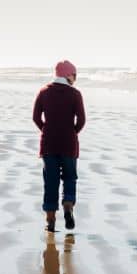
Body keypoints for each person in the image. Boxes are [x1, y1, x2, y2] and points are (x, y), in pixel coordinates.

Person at [33, 60, 85, 232]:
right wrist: (73, 133)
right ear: (66, 75)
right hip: (68, 144)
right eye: (74, 75)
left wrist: (46, 130)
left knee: (51, 181)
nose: (75, 78)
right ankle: (68, 206)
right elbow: (82, 120)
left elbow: (36, 117)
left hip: (49, 144)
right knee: (70, 177)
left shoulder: (43, 92)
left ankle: (50, 220)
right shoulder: (75, 94)